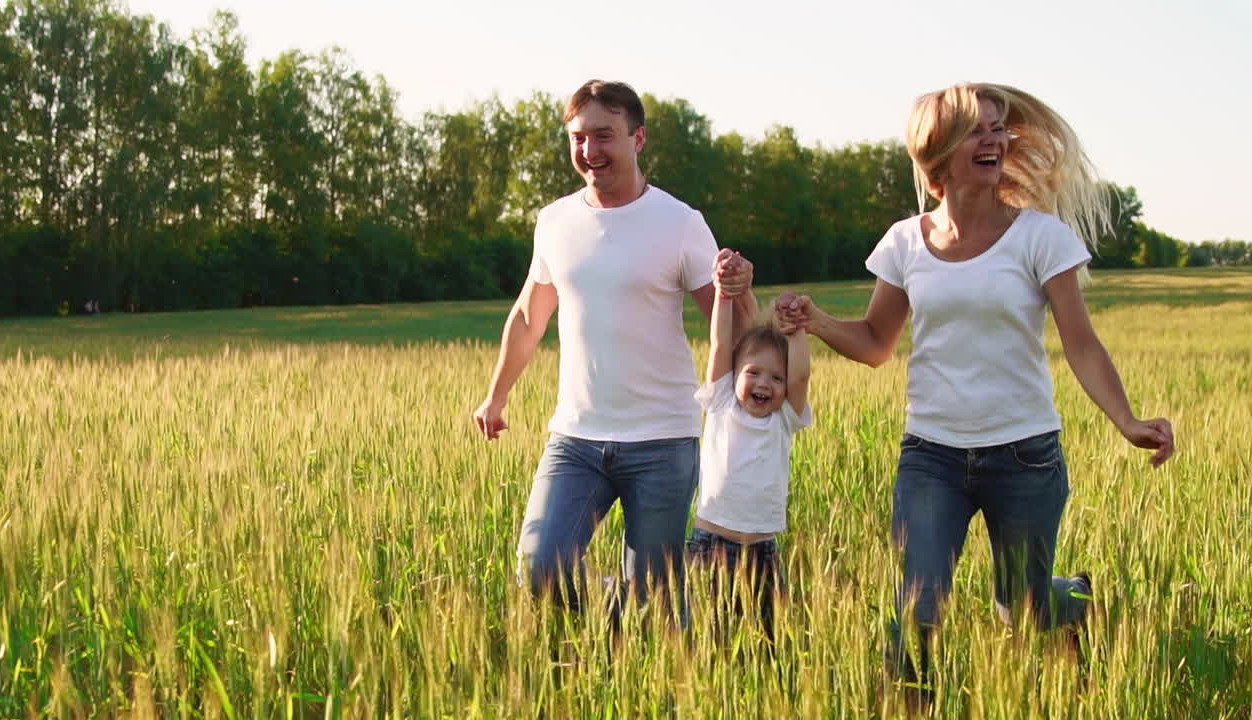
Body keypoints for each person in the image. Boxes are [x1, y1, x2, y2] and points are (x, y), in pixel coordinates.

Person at [776, 83, 1175, 690]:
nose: (995, 139)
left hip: (1025, 456)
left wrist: (1126, 420)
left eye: (998, 128)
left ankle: (1074, 604)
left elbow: (1082, 343)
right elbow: (877, 343)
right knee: (920, 607)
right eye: (977, 130)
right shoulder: (905, 241)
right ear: (937, 154)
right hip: (931, 457)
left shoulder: (1041, 238)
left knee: (1024, 611)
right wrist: (820, 321)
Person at [472, 80, 757, 621]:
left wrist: (741, 288)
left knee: (656, 600)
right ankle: (614, 607)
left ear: (638, 138)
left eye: (604, 136)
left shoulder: (680, 222)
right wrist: (496, 397)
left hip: (663, 442)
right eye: (579, 138)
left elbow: (733, 327)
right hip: (575, 439)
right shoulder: (555, 221)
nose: (590, 151)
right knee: (540, 564)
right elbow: (531, 315)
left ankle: (656, 649)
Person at [687, 249, 812, 645]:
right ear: (734, 375)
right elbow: (721, 342)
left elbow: (802, 374)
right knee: (710, 639)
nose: (763, 384)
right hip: (711, 544)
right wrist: (723, 295)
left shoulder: (784, 421)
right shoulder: (722, 402)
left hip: (763, 551)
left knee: (768, 644)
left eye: (776, 378)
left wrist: (797, 331)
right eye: (753, 373)